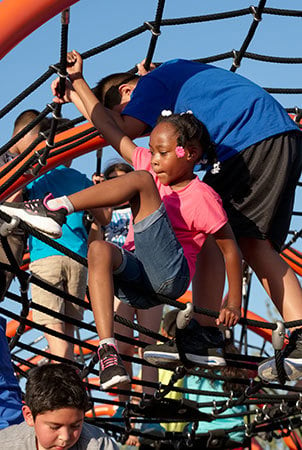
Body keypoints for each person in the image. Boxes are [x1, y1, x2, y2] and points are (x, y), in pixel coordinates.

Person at [50, 51, 302, 383]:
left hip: (251, 140)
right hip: (257, 139)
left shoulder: (153, 84)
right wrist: (77, 91)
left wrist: (79, 84)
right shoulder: (173, 81)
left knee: (251, 244)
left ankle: (295, 331)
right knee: (225, 235)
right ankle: (205, 330)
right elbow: (113, 131)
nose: (151, 145)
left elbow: (118, 130)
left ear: (128, 93)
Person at [0, 50, 242, 392]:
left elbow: (229, 249)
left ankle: (57, 207)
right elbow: (109, 129)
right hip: (140, 280)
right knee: (99, 249)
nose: (154, 160)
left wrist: (232, 303)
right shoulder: (153, 169)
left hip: (170, 277)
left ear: (189, 153)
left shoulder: (200, 195)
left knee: (140, 181)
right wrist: (79, 82)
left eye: (162, 153)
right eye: (153, 151)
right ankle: (107, 349)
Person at [102, 161, 164, 445]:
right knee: (122, 344)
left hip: (148, 271)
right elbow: (96, 237)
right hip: (119, 276)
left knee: (149, 345)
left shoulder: (146, 204)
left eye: (123, 179)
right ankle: (125, 405)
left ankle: (148, 405)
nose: (118, 183)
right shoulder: (106, 210)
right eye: (112, 180)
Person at [0, 363, 119, 449]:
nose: (65, 437)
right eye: (55, 427)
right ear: (29, 416)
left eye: (75, 426)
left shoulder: (97, 445)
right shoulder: (7, 445)